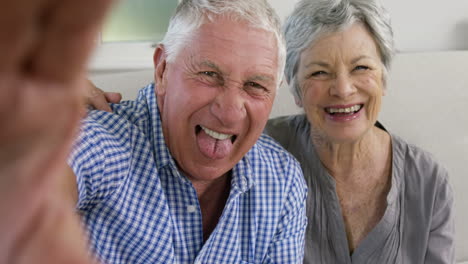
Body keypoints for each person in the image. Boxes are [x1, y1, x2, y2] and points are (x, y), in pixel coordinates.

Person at [1, 0, 308, 263]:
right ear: (162, 71)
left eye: (255, 85)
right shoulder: (106, 139)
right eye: (209, 74)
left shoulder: (282, 182)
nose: (229, 111)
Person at [264, 0, 455, 263]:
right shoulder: (261, 154)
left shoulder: (428, 182)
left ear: (384, 78)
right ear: (295, 88)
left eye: (361, 68)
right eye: (320, 72)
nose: (343, 89)